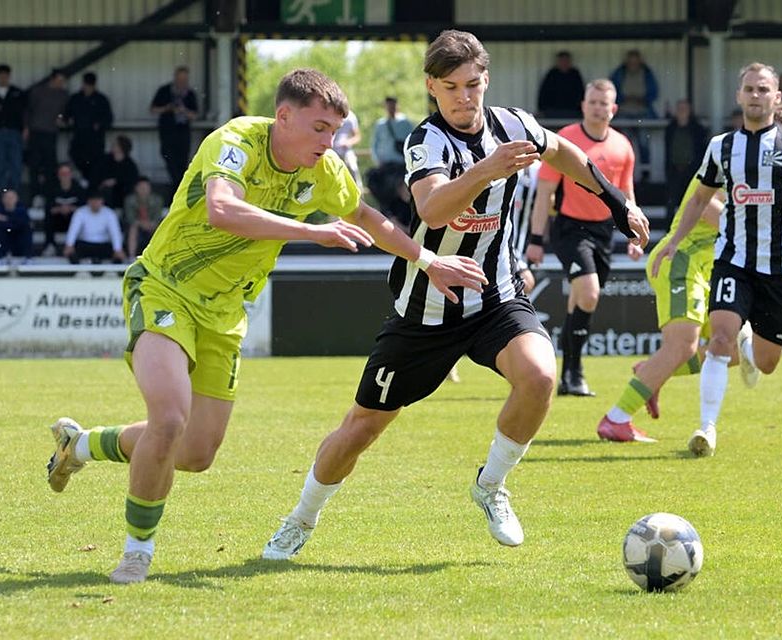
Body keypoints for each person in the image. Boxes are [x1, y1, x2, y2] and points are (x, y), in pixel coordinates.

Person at [43, 68, 485, 584]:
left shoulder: (325, 170)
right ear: (284, 116)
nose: (330, 142)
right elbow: (222, 210)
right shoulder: (235, 141)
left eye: (336, 131)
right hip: (165, 288)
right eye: (320, 128)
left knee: (194, 452)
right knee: (168, 420)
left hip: (225, 314)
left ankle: (80, 445)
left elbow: (366, 217)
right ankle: (137, 553)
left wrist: (428, 260)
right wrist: (310, 232)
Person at [261, 31, 649, 562]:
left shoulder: (512, 124)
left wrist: (616, 200)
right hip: (425, 307)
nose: (464, 97)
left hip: (494, 296)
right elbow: (433, 210)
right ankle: (300, 518)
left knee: (539, 376)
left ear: (485, 79)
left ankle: (491, 485)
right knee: (361, 429)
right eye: (451, 88)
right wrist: (490, 167)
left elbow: (562, 151)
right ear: (431, 87)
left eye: (472, 84)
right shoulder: (426, 141)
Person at [652, 62, 782, 457]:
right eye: (749, 89)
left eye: (763, 89)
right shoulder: (721, 147)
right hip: (733, 260)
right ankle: (706, 429)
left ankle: (750, 351)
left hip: (781, 266)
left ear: (777, 97)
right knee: (719, 337)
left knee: (767, 362)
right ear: (738, 96)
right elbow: (700, 199)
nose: (756, 95)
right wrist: (672, 242)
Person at [598, 103, 782, 443]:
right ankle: (616, 419)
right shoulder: (732, 159)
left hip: (708, 270)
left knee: (729, 349)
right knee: (684, 346)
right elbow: (707, 209)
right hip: (682, 260)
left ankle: (651, 373)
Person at [526, 78, 638, 397]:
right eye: (592, 102)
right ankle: (574, 373)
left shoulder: (622, 146)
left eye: (604, 103)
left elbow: (626, 194)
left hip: (603, 231)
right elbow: (545, 192)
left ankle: (569, 376)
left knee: (581, 300)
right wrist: (536, 239)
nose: (598, 108)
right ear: (583, 105)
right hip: (569, 228)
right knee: (589, 294)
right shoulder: (565, 140)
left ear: (613, 109)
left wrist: (633, 233)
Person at [609, 49, 658, 178]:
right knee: (624, 143)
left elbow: (654, 92)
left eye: (635, 61)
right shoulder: (620, 73)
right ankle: (623, 173)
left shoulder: (646, 73)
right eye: (631, 61)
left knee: (643, 143)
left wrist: (642, 99)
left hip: (642, 112)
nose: (633, 64)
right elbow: (611, 90)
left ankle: (645, 174)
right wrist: (624, 99)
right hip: (624, 111)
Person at [366, 96, 414, 226]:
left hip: (401, 165)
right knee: (374, 181)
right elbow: (374, 145)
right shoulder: (380, 124)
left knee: (401, 192)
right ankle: (387, 215)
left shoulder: (405, 123)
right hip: (385, 165)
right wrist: (377, 160)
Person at [150, 66, 199, 191]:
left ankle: (179, 189)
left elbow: (194, 115)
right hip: (167, 133)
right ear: (175, 78)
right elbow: (153, 109)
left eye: (185, 79)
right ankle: (177, 189)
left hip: (183, 134)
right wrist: (168, 109)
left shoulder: (190, 94)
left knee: (182, 166)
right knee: (170, 164)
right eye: (180, 79)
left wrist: (184, 111)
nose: (182, 82)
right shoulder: (164, 91)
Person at [25, 69, 69, 201]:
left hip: (51, 132)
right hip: (36, 132)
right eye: (59, 80)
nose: (61, 83)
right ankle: (35, 194)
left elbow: (66, 112)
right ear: (53, 79)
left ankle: (49, 194)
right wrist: (26, 127)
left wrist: (62, 119)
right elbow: (28, 110)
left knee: (50, 165)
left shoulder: (63, 95)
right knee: (34, 165)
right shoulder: (38, 92)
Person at [664, 99, 708, 223]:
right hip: (674, 169)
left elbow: (701, 151)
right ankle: (669, 229)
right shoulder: (670, 128)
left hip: (692, 170)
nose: (682, 112)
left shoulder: (698, 129)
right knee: (671, 202)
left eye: (685, 109)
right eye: (679, 109)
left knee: (691, 200)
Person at [0, 64, 26, 192]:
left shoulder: (17, 93)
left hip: (14, 132)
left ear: (9, 76)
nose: (3, 79)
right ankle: (2, 192)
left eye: (5, 76)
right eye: (1, 76)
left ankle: (15, 193)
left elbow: (22, 112)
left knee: (16, 163)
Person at [65, 72, 113, 182]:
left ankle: (91, 184)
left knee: (95, 163)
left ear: (94, 85)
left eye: (90, 85)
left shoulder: (101, 99)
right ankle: (85, 179)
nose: (87, 87)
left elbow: (109, 119)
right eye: (86, 85)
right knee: (75, 156)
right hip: (79, 137)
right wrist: (65, 120)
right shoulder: (75, 98)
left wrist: (100, 124)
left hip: (95, 139)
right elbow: (66, 115)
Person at [63, 191, 125, 264]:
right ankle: (74, 273)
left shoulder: (109, 213)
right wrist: (69, 245)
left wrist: (118, 249)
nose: (95, 203)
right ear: (88, 201)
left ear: (102, 201)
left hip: (103, 245)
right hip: (85, 244)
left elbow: (115, 233)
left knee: (118, 254)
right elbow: (73, 230)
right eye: (93, 200)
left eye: (98, 200)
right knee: (72, 252)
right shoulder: (80, 212)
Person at [43, 162, 85, 256]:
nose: (65, 176)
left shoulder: (78, 189)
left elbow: (84, 209)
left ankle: (75, 246)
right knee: (48, 218)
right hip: (58, 220)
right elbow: (49, 208)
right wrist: (60, 209)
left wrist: (70, 208)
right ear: (58, 176)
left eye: (67, 173)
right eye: (62, 174)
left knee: (80, 219)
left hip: (73, 220)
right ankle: (50, 246)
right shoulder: (52, 189)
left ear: (71, 174)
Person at [92, 135, 139, 209]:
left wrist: (116, 181)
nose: (112, 145)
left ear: (122, 147)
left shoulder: (130, 165)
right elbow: (96, 175)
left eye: (115, 144)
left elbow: (132, 181)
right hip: (105, 193)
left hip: (122, 194)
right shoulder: (104, 160)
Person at [122, 176, 165, 258]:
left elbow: (157, 218)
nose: (144, 190)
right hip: (137, 227)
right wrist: (142, 224)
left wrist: (150, 224)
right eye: (141, 187)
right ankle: (131, 257)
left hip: (152, 225)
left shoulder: (157, 200)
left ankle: (158, 256)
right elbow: (130, 218)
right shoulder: (129, 200)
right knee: (133, 228)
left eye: (146, 187)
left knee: (160, 228)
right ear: (136, 188)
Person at [537, 50, 585, 119]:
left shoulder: (575, 74)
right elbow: (543, 93)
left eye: (566, 61)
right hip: (553, 111)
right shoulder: (552, 74)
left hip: (572, 111)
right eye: (562, 61)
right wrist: (541, 109)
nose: (564, 63)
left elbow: (581, 93)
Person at [0, 188, 33, 264]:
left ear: (16, 199)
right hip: (5, 241)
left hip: (19, 242)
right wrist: (13, 221)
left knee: (26, 229)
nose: (9, 200)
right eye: (7, 198)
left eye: (12, 198)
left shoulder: (22, 209)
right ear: (3, 199)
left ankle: (28, 257)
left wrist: (6, 219)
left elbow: (24, 222)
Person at [332, 109, 362, 189]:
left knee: (353, 168)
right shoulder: (330, 114)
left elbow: (357, 136)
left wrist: (348, 142)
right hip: (331, 150)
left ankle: (358, 193)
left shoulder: (351, 117)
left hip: (346, 151)